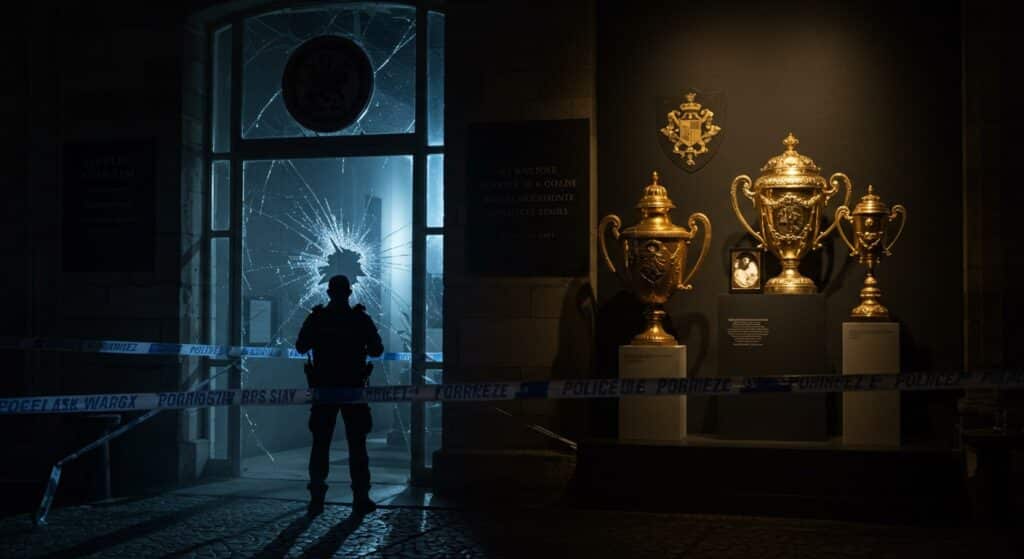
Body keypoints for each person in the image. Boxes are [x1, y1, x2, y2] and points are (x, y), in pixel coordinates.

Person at [296, 275, 384, 517]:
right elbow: (377, 349)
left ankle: (317, 498)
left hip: (324, 388)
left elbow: (301, 346)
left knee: (320, 444)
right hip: (353, 388)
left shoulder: (317, 318)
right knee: (357, 445)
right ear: (349, 292)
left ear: (328, 293)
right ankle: (360, 497)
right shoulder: (360, 318)